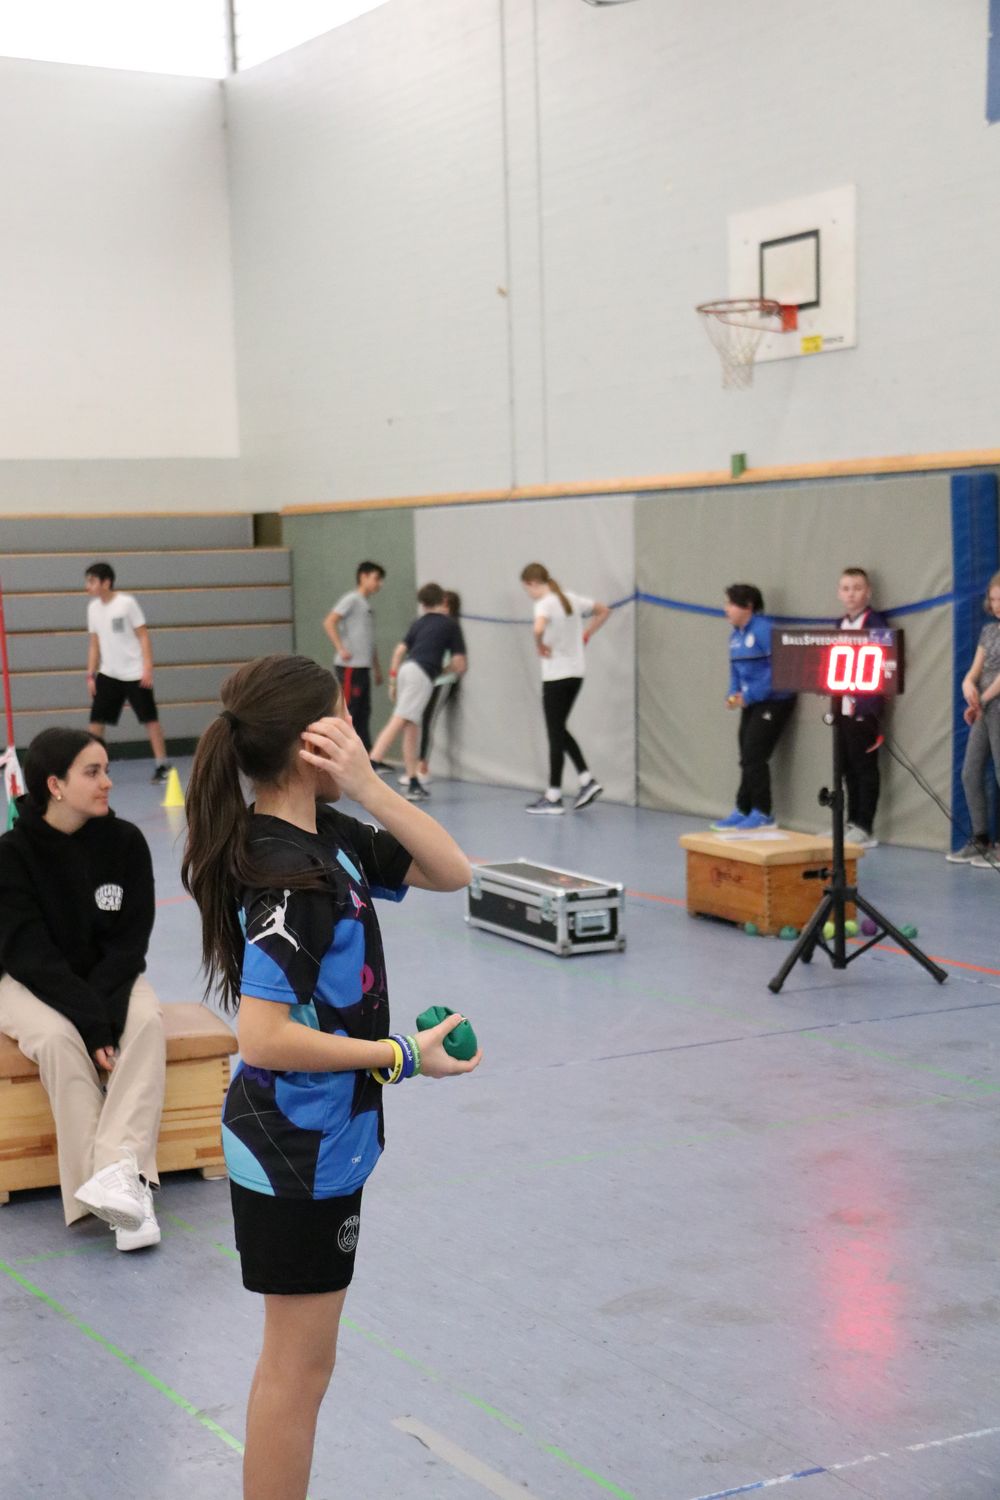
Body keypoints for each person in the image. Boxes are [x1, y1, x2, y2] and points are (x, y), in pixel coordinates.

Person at [180, 653, 481, 1500]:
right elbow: (264, 1037)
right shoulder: (290, 876)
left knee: (303, 1366)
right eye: (344, 718)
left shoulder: (329, 839)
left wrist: (372, 786)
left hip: (321, 1139)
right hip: (294, 1150)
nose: (356, 727)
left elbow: (452, 870)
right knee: (297, 1373)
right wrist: (400, 1056)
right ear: (313, 741)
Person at [0, 728, 165, 1250]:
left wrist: (105, 1013)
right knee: (57, 1040)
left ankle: (119, 1183)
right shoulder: (11, 854)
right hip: (25, 980)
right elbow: (31, 957)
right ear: (55, 785)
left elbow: (129, 944)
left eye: (107, 770)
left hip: (109, 977)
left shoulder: (126, 843)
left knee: (146, 1023)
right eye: (92, 773)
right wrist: (94, 1024)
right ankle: (121, 1195)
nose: (108, 782)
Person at [519, 562, 610, 815]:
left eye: (527, 589)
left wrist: (539, 644)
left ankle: (555, 796)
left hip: (556, 676)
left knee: (555, 733)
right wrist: (586, 634)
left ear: (532, 584)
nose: (529, 594)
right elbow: (604, 610)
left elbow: (538, 628)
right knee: (558, 730)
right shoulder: (570, 599)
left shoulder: (545, 603)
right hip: (576, 674)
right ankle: (584, 781)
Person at [369, 584, 467, 801]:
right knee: (399, 720)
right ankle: (372, 762)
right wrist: (446, 669)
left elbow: (399, 652)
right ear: (443, 600)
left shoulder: (418, 622)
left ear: (422, 604)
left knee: (411, 728)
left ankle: (413, 781)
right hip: (421, 675)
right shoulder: (450, 625)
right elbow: (460, 663)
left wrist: (392, 682)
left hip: (406, 670)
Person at [712, 584, 796, 832]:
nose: (726, 609)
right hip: (752, 702)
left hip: (776, 701)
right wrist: (732, 695)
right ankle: (744, 808)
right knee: (746, 755)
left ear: (748, 606)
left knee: (754, 754)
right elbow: (735, 673)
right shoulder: (735, 637)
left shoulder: (765, 630)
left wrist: (749, 695)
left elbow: (781, 668)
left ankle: (763, 813)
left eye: (731, 603)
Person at [85, 562, 172, 784]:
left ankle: (162, 765)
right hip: (108, 674)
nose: (88, 586)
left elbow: (143, 635)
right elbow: (94, 644)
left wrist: (147, 668)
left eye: (92, 581)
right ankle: (95, 766)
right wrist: (90, 674)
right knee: (96, 722)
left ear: (106, 582)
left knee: (150, 720)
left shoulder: (126, 603)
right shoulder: (93, 609)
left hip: (134, 673)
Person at [947, 571, 1000, 866]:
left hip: (994, 706)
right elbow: (975, 670)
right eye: (993, 599)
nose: (997, 605)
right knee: (970, 772)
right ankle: (981, 838)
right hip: (985, 708)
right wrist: (967, 684)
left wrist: (982, 699)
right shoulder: (989, 631)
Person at [836, 567, 889, 849]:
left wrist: (867, 705)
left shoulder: (877, 624)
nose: (851, 594)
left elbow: (885, 667)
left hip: (865, 710)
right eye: (846, 588)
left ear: (868, 592)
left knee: (864, 767)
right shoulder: (839, 625)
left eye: (857, 588)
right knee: (845, 768)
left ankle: (864, 826)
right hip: (842, 709)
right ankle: (850, 822)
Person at [398, 589, 463, 789]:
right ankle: (415, 766)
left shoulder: (450, 627)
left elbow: (457, 662)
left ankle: (422, 767)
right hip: (428, 679)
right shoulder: (433, 625)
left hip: (443, 681)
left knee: (428, 719)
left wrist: (442, 671)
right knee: (416, 720)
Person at [322, 561, 386, 751]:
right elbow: (329, 621)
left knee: (363, 712)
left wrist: (376, 668)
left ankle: (365, 755)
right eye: (376, 578)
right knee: (349, 711)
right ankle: (340, 752)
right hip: (350, 667)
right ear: (363, 577)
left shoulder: (365, 605)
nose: (379, 584)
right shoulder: (352, 599)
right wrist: (341, 648)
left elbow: (369, 640)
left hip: (363, 667)